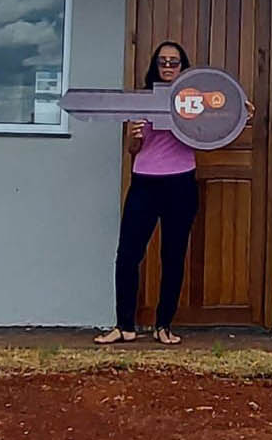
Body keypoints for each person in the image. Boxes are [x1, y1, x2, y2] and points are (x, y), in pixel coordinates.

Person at [95, 41, 253, 345]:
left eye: (174, 62)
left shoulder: (195, 102)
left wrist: (240, 114)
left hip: (180, 183)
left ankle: (163, 326)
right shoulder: (142, 102)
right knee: (128, 255)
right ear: (155, 66)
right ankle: (125, 326)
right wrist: (133, 137)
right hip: (144, 182)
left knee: (173, 256)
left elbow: (218, 127)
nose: (168, 67)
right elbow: (133, 150)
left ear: (183, 67)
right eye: (163, 62)